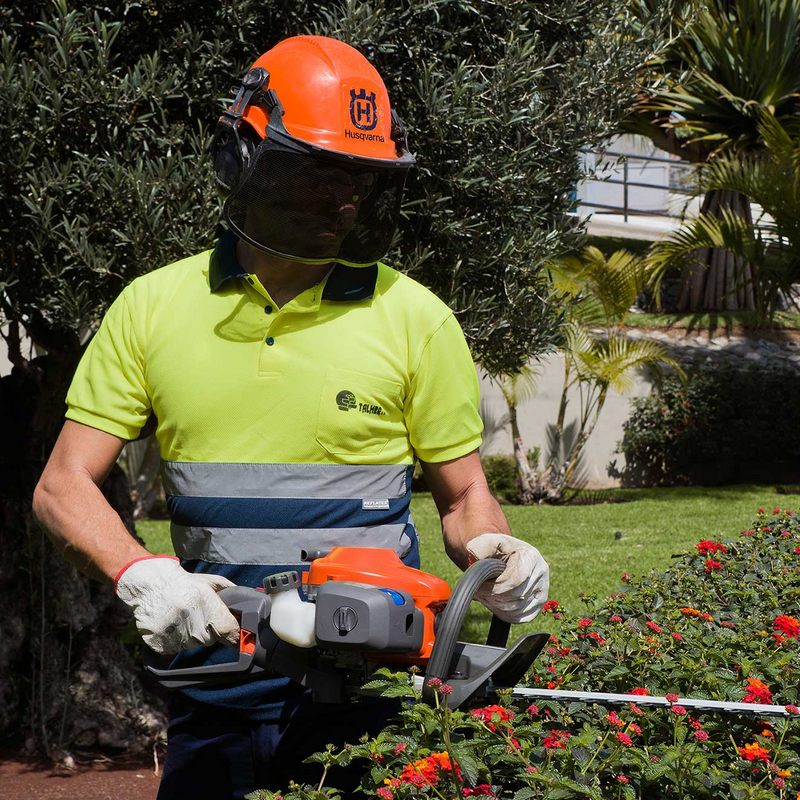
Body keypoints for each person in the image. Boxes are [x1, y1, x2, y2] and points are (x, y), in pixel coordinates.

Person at [33, 35, 549, 800]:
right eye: (318, 173)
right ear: (242, 159)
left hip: (369, 699)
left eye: (361, 180)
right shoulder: (153, 308)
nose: (344, 200)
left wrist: (497, 551)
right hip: (214, 694)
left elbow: (463, 495)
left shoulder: (418, 320)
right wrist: (141, 573)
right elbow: (63, 485)